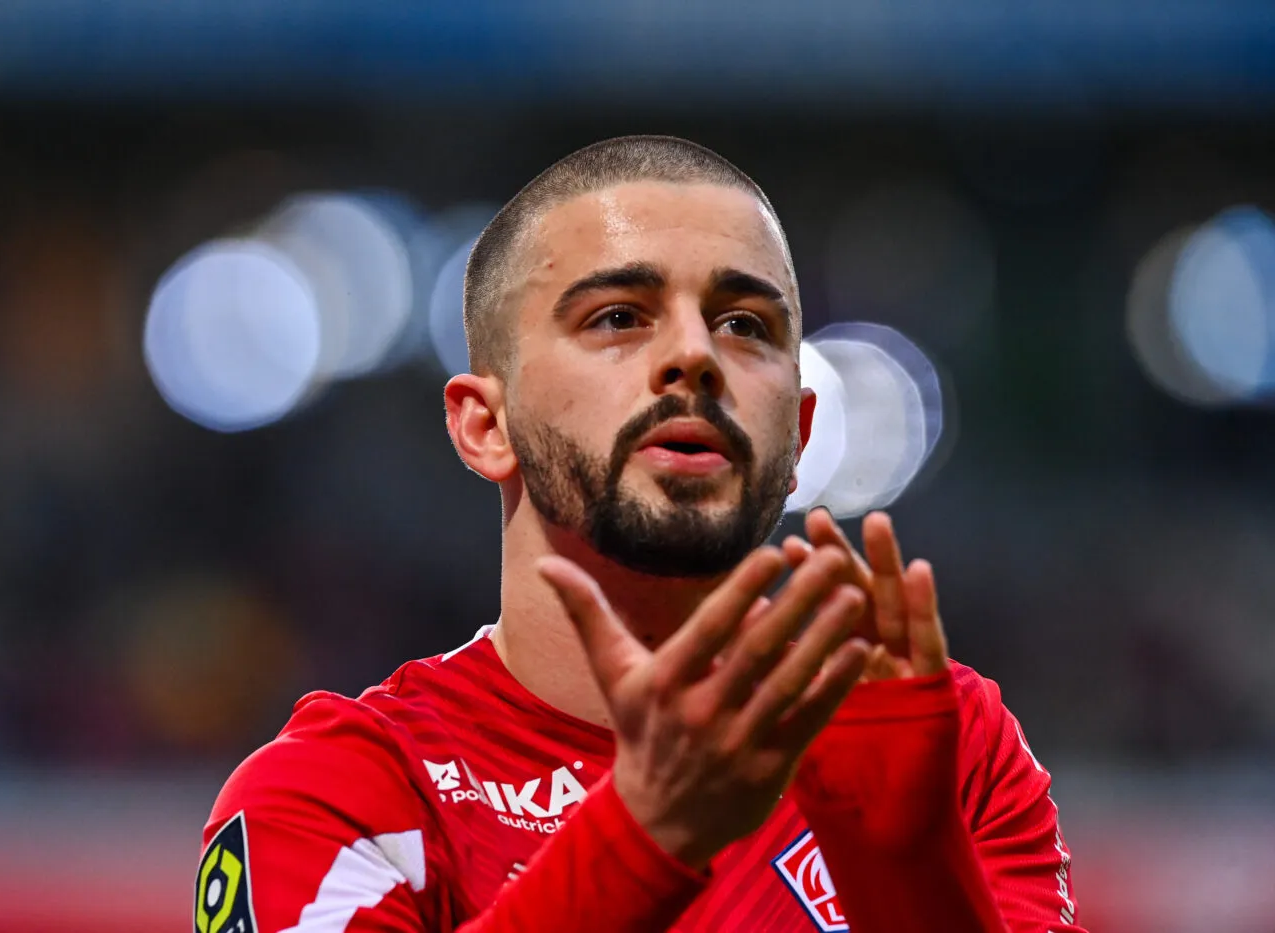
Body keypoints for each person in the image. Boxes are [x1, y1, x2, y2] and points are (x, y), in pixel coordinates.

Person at [196, 136, 1084, 933]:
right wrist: (643, 835)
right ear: (483, 427)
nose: (695, 354)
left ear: (800, 432)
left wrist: (910, 867)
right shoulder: (340, 794)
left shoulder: (944, 742)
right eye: (618, 316)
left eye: (747, 325)